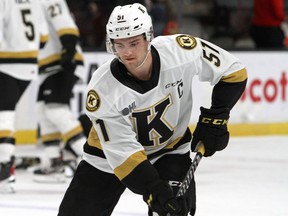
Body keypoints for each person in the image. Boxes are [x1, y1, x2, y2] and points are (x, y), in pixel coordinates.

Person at [58, 3, 247, 216]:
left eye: (134, 42)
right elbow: (123, 153)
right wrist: (152, 188)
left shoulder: (182, 51)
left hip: (170, 149)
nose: (127, 52)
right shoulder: (103, 90)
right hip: (106, 158)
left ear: (148, 36)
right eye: (119, 44)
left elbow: (233, 72)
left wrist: (216, 117)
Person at [34, 0, 86, 183]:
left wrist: (68, 51)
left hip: (63, 62)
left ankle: (87, 155)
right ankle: (55, 162)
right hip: (49, 66)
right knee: (42, 110)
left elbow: (65, 23)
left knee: (55, 110)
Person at [0, 0, 48, 192]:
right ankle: (5, 167)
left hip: (6, 64)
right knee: (5, 114)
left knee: (4, 115)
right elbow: (43, 38)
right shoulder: (35, 2)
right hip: (29, 67)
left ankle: (4, 169)